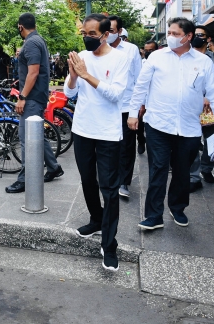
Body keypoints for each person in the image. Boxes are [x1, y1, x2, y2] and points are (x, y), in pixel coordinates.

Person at [128, 17, 214, 230]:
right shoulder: (157, 57)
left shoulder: (203, 62)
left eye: (174, 34)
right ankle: (153, 216)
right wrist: (134, 113)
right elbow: (141, 87)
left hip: (189, 127)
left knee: (182, 171)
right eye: (169, 33)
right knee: (158, 169)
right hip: (158, 125)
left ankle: (177, 207)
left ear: (188, 37)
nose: (170, 37)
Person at [64, 14, 129, 272]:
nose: (87, 38)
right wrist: (73, 75)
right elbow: (70, 93)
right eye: (84, 33)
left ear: (106, 34)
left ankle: (109, 243)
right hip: (82, 129)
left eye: (92, 34)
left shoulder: (120, 59)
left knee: (110, 188)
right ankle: (96, 219)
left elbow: (115, 94)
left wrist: (86, 75)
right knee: (87, 179)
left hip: (108, 133)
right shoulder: (82, 56)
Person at [5, 13, 63, 194]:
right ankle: (53, 167)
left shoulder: (31, 43)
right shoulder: (38, 40)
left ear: (20, 26)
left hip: (31, 98)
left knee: (26, 139)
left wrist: (22, 97)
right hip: (38, 96)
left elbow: (33, 73)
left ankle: (25, 179)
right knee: (37, 135)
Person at [106, 17, 142, 199]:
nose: (108, 34)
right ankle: (109, 177)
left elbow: (139, 79)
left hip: (126, 106)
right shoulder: (99, 48)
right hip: (105, 107)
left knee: (126, 147)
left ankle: (124, 181)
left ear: (120, 31)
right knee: (107, 145)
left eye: (112, 31)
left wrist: (138, 107)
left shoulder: (131, 50)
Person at [188, 25, 214, 191]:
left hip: (211, 108)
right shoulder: (186, 57)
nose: (197, 37)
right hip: (191, 107)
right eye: (194, 34)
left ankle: (207, 168)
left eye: (201, 35)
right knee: (192, 141)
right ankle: (194, 177)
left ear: (208, 39)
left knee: (211, 140)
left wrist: (210, 97)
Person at [136, 40, 159, 155]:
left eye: (151, 50)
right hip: (143, 101)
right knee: (139, 124)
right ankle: (141, 141)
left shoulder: (162, 63)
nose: (148, 52)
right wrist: (141, 103)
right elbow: (139, 85)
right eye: (146, 50)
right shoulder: (141, 64)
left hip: (157, 102)